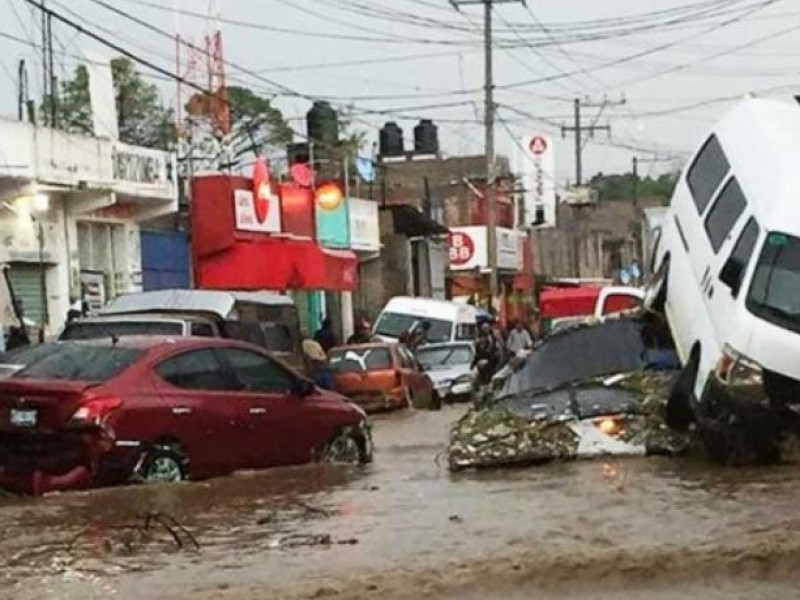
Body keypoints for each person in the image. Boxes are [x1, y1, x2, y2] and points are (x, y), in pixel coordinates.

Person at [472, 322, 500, 388]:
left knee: (489, 375)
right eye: (484, 328)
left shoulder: (492, 337)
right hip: (480, 359)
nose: (486, 330)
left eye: (487, 328)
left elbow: (495, 348)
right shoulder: (479, 337)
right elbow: (476, 348)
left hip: (490, 360)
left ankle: (488, 387)